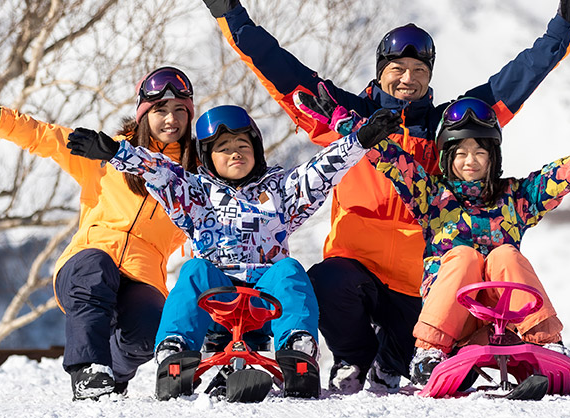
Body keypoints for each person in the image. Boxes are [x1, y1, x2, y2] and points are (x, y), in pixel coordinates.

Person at [193, 0, 570, 392]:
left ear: (429, 78)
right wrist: (233, 18)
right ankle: (353, 360)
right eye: (398, 69)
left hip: (420, 282)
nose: (408, 79)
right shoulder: (346, 118)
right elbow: (281, 72)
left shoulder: (450, 128)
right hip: (355, 265)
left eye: (419, 71)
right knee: (326, 282)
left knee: (423, 339)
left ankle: (393, 361)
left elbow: (516, 81)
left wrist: (561, 31)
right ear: (381, 70)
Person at [298, 91, 570, 384]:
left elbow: (566, 173)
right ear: (447, 159)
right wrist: (341, 120)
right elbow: (389, 156)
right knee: (462, 257)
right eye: (460, 153)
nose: (470, 160)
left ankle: (547, 345)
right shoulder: (432, 197)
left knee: (504, 256)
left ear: (493, 157)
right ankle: (428, 354)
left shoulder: (516, 198)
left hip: (506, 321)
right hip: (452, 322)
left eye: (480, 151)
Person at [64, 104, 403, 398]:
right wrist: (117, 153)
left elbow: (320, 170)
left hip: (266, 299)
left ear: (257, 150)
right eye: (224, 148)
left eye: (243, 145)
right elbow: (159, 173)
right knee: (194, 270)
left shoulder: (280, 190)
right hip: (216, 297)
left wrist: (359, 141)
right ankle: (175, 351)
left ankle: (297, 349)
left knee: (290, 270)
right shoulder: (195, 194)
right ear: (208, 158)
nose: (235, 152)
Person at [0, 67, 197, 401]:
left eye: (180, 110)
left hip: (144, 274)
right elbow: (47, 138)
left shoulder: (193, 178)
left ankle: (111, 373)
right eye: (160, 110)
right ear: (144, 115)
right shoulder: (107, 153)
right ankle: (89, 369)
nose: (171, 119)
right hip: (88, 260)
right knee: (96, 270)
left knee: (147, 331)